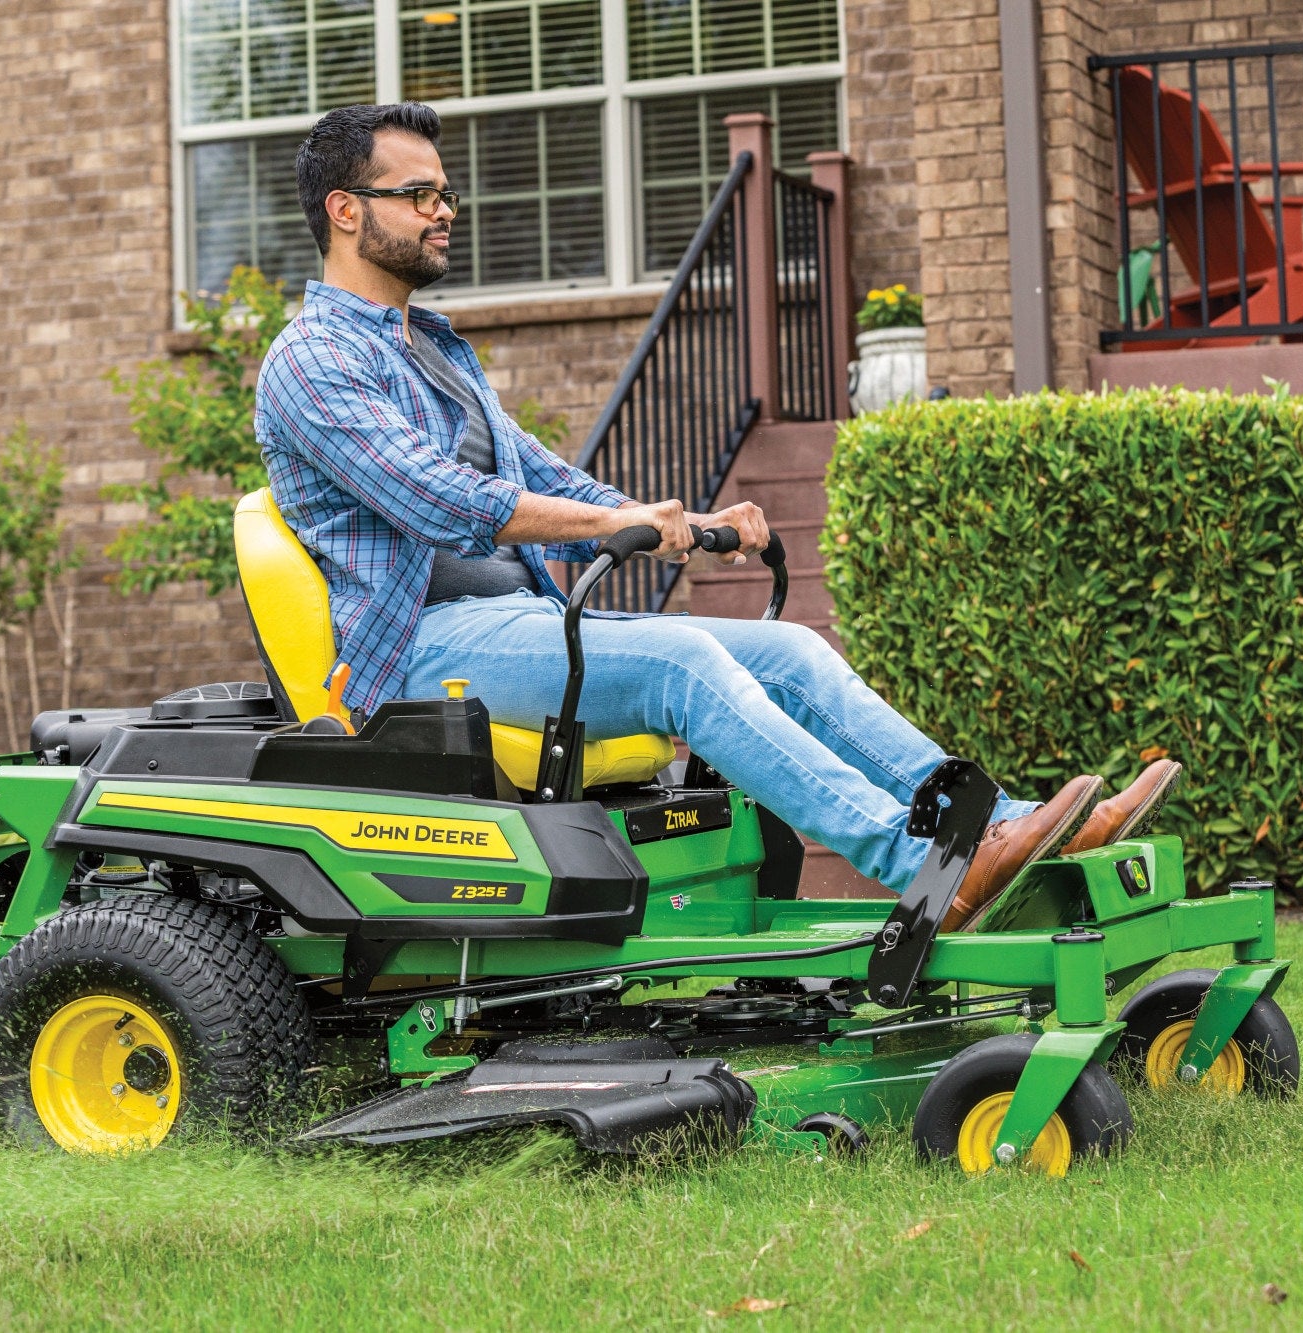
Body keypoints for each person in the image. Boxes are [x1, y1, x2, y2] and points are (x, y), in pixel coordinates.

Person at [253, 102, 1180, 927]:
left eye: (446, 193)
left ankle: (1008, 827)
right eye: (420, 194)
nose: (444, 210)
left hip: (517, 623)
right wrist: (619, 530)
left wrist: (686, 520)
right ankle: (927, 868)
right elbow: (439, 500)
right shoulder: (313, 360)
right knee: (681, 660)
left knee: (792, 652)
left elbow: (545, 473)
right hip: (421, 651)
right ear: (347, 209)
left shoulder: (435, 349)